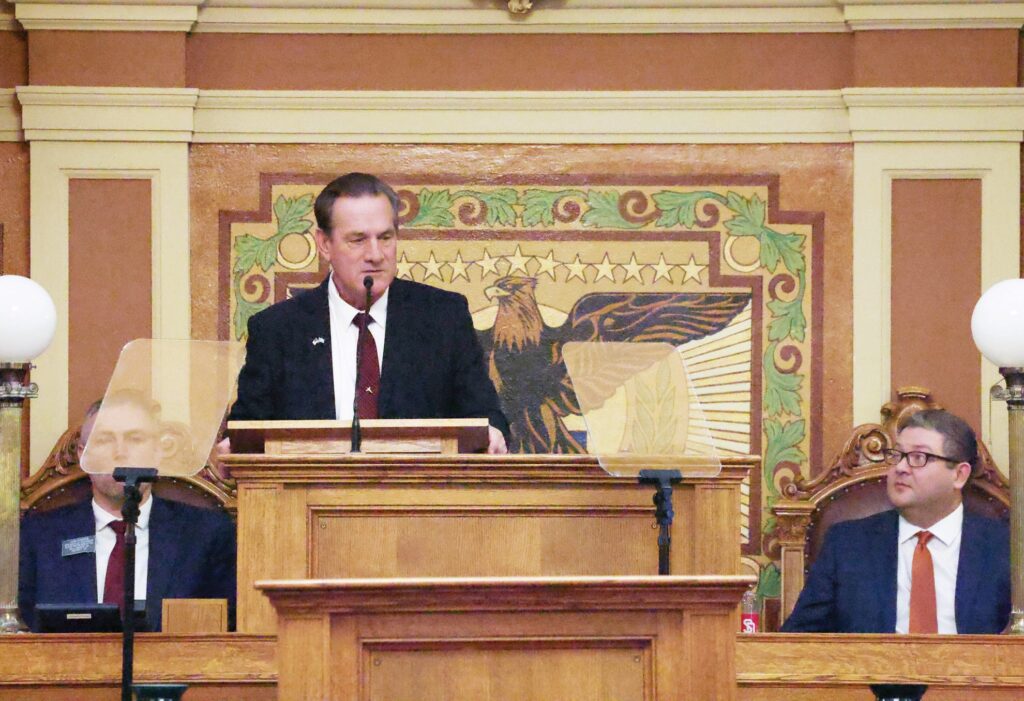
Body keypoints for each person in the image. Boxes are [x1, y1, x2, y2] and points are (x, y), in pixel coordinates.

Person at [229, 172, 510, 454]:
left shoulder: (443, 317)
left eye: (385, 237)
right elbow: (247, 431)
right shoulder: (278, 330)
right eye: (358, 240)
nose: (376, 254)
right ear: (325, 244)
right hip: (308, 494)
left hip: (417, 492)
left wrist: (493, 433)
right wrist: (233, 448)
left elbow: (485, 417)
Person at [18, 393, 237, 632]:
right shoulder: (39, 535)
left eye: (135, 439)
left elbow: (228, 630)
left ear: (158, 451)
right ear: (83, 455)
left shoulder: (206, 534)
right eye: (105, 440)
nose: (120, 451)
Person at [781, 408, 1010, 634]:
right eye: (897, 456)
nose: (900, 468)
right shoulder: (847, 544)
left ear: (959, 475)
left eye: (919, 457)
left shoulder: (1006, 549)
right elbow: (798, 642)